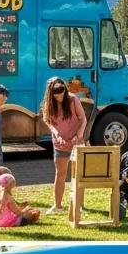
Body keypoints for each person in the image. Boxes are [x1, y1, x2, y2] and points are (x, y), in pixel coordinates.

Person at [40, 76, 87, 215]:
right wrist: (56, 135)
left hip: (76, 142)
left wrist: (78, 135)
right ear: (50, 92)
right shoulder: (48, 104)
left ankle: (80, 205)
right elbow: (48, 122)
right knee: (60, 174)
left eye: (62, 90)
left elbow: (83, 119)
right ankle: (58, 205)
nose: (60, 95)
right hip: (60, 144)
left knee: (79, 174)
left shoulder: (73, 99)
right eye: (56, 92)